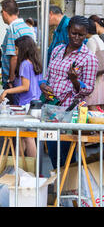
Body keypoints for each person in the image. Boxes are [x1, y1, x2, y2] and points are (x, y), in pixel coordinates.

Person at [40, 15, 98, 168]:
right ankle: (59, 185)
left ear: (86, 34)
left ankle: (66, 188)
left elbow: (88, 89)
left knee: (65, 156)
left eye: (81, 35)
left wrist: (74, 80)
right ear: (67, 30)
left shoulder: (89, 58)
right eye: (74, 33)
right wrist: (43, 85)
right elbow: (48, 75)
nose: (77, 37)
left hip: (69, 112)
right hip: (51, 108)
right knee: (53, 151)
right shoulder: (58, 50)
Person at [0, 35, 43, 157]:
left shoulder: (24, 64)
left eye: (17, 49)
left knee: (26, 137)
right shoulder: (35, 63)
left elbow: (25, 87)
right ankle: (24, 166)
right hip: (35, 104)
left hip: (26, 104)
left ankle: (27, 168)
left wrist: (7, 92)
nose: (15, 52)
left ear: (23, 49)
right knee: (25, 137)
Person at [0, 0, 36, 104]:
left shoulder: (13, 29)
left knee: (14, 110)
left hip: (16, 79)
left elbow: (14, 57)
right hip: (27, 78)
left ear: (4, 13)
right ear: (17, 12)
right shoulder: (27, 27)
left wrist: (10, 79)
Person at [85, 18, 104, 111]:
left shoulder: (91, 41)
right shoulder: (99, 39)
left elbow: (90, 60)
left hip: (95, 77)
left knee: (92, 106)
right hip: (101, 76)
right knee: (100, 106)